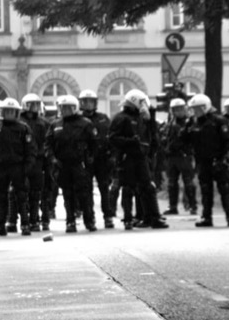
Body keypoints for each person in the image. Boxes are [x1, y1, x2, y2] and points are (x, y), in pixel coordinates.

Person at [108, 89, 169, 230]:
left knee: (148, 186)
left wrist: (151, 116)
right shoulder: (121, 118)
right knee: (128, 188)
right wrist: (129, 142)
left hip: (141, 157)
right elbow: (112, 138)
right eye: (142, 102)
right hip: (126, 158)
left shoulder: (142, 118)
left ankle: (153, 217)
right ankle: (129, 218)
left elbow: (151, 136)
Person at [183, 94, 229, 227]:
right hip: (203, 162)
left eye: (198, 109)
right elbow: (184, 141)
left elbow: (228, 139)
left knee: (225, 190)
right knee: (206, 190)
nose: (195, 112)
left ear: (205, 107)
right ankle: (206, 217)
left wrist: (225, 158)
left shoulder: (219, 121)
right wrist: (186, 127)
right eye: (193, 109)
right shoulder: (194, 123)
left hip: (218, 160)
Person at [46, 95, 97, 233]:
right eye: (62, 108)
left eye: (67, 108)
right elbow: (48, 144)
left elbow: (94, 143)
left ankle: (89, 221)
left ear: (74, 108)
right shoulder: (56, 124)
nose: (64, 110)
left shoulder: (85, 123)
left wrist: (89, 160)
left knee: (84, 194)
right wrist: (52, 159)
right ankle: (70, 221)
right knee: (67, 194)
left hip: (79, 164)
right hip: (62, 164)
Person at [0, 98, 35, 236]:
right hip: (1, 166)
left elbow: (30, 150)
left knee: (21, 196)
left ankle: (25, 224)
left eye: (11, 111)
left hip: (18, 166)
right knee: (1, 196)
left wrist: (27, 167)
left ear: (16, 113)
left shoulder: (23, 128)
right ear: (2, 112)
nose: (9, 114)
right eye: (6, 111)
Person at [78, 89, 115, 228]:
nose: (88, 105)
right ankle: (90, 216)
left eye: (91, 102)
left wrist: (112, 155)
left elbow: (111, 137)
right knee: (87, 190)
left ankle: (108, 216)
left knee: (104, 188)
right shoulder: (79, 120)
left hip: (102, 158)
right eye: (85, 102)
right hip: (87, 159)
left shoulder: (103, 118)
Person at [162, 98, 198, 216]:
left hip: (184, 155)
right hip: (172, 156)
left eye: (180, 109)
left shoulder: (189, 122)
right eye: (176, 109)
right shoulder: (170, 123)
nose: (178, 111)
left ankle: (193, 206)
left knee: (188, 182)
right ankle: (173, 206)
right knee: (171, 183)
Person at [20, 93, 50, 232]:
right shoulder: (19, 121)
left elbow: (47, 141)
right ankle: (22, 220)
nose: (35, 107)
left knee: (36, 192)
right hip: (22, 161)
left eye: (37, 104)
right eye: (32, 104)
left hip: (38, 161)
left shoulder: (43, 122)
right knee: (21, 192)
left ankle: (35, 220)